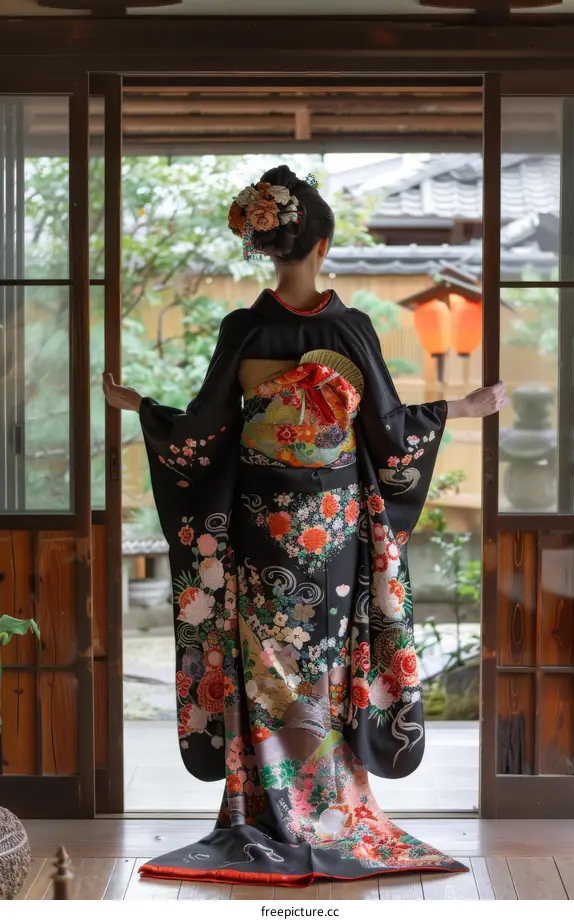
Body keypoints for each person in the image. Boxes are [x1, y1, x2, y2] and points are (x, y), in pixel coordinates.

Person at [103, 165, 505, 888]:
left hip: (261, 521)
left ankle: (262, 808)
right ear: (320, 243)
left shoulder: (242, 328)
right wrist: (462, 408)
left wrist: (143, 407)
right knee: (324, 660)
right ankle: (333, 808)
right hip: (333, 523)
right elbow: (386, 429)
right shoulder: (349, 327)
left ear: (270, 245)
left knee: (266, 661)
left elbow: (202, 432)